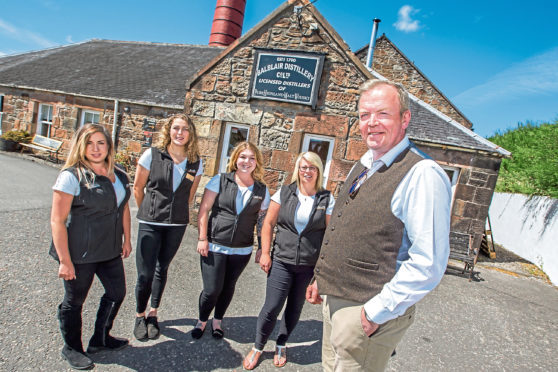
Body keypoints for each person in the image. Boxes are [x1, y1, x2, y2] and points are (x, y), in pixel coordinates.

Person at [306, 79, 452, 371]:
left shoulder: (422, 174)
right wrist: (322, 278)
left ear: (405, 119)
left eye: (382, 113)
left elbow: (428, 263)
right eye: (364, 115)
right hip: (336, 300)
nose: (371, 123)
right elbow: (345, 229)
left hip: (367, 311)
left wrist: (375, 312)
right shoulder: (365, 164)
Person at [243, 152, 335, 370]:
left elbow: (330, 236)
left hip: (308, 267)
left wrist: (321, 273)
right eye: (303, 167)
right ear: (298, 169)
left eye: (312, 167)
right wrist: (265, 252)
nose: (307, 171)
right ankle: (258, 346)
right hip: (282, 261)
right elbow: (268, 224)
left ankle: (282, 343)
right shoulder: (284, 193)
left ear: (319, 171)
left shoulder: (326, 199)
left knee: (294, 308)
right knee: (272, 306)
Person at [50, 124, 132, 370]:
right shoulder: (71, 176)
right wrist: (65, 260)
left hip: (109, 250)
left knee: (117, 293)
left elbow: (124, 208)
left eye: (100, 143)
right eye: (89, 143)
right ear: (80, 146)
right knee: (74, 301)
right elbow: (57, 220)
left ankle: (100, 339)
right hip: (79, 253)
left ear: (109, 146)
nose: (95, 149)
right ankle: (72, 347)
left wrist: (127, 239)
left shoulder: (120, 174)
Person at [133, 114, 203, 341]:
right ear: (169, 131)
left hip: (176, 224)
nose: (180, 133)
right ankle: (139, 315)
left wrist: (177, 213)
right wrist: (148, 211)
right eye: (176, 128)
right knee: (145, 274)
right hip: (151, 223)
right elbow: (138, 187)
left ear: (190, 134)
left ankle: (153, 314)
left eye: (185, 129)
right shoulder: (152, 155)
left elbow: (189, 197)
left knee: (162, 269)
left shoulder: (195, 162)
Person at [193, 142, 270, 340]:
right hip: (215, 244)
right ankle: (202, 320)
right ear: (235, 159)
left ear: (257, 163)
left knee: (228, 286)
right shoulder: (220, 180)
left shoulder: (262, 190)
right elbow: (204, 210)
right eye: (243, 157)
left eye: (252, 158)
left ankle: (217, 321)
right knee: (212, 289)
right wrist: (202, 238)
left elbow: (262, 222)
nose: (247, 161)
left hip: (241, 249)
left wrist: (262, 248)